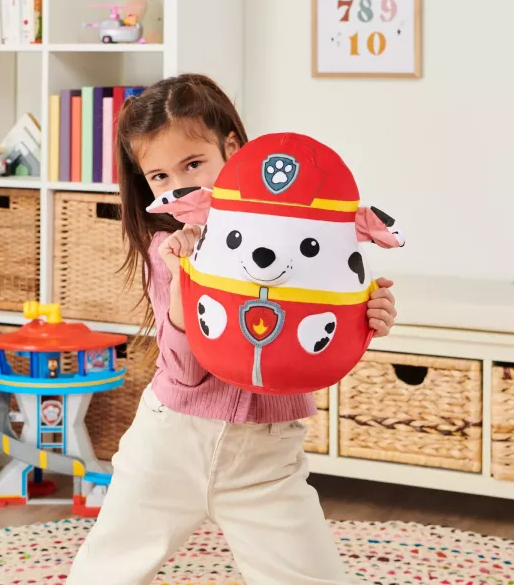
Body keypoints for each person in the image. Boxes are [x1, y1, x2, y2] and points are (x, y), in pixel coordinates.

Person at [67, 73, 397, 585]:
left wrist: (369, 319)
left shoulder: (294, 234)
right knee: (106, 572)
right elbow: (186, 371)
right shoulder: (167, 250)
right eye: (159, 176)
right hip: (169, 442)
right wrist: (183, 282)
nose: (179, 185)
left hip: (265, 454)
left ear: (234, 150)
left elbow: (316, 340)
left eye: (193, 164)